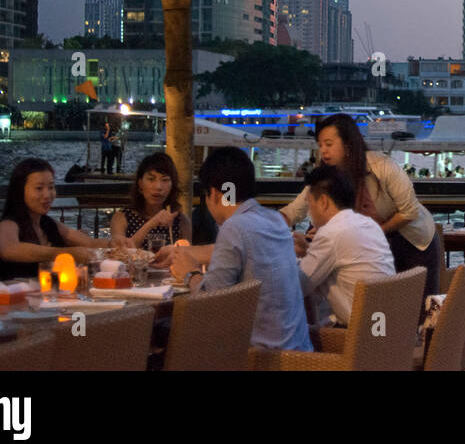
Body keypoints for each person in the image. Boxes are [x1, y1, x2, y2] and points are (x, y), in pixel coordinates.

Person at [164, 146, 312, 352]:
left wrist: (190, 273)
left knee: (170, 340)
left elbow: (212, 302)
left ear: (214, 194)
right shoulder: (274, 219)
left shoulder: (235, 226)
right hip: (298, 351)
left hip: (262, 358)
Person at [281, 113, 441, 295]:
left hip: (412, 241)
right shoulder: (326, 177)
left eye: (329, 144)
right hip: (376, 243)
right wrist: (270, 225)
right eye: (320, 146)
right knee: (388, 303)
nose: (323, 151)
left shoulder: (382, 166)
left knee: (418, 306)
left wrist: (371, 231)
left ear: (348, 145)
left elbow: (409, 212)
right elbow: (296, 208)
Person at [294, 166, 395, 328]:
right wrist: (308, 251)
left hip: (360, 334)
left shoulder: (331, 233)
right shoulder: (368, 224)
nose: (309, 210)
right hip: (384, 326)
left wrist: (287, 256)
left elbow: (298, 286)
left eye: (309, 202)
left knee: (277, 344)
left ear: (323, 202)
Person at [0, 158, 110, 279]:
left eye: (51, 187)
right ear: (20, 191)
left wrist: (115, 244)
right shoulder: (9, 224)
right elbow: (9, 249)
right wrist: (65, 253)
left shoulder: (48, 224)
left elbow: (90, 243)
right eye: (39, 188)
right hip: (11, 295)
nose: (47, 195)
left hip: (47, 295)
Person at [110, 153, 191, 249]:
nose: (158, 187)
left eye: (165, 180)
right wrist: (152, 223)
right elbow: (120, 251)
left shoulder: (181, 221)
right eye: (151, 179)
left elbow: (186, 257)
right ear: (140, 183)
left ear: (172, 186)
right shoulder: (122, 217)